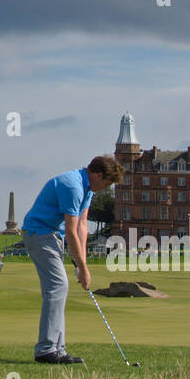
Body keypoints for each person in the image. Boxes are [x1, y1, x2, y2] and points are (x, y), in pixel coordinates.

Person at [22, 155, 123, 365]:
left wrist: (81, 264)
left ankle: (58, 349)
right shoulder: (73, 187)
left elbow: (82, 226)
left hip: (51, 236)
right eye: (106, 182)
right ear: (97, 175)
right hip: (38, 233)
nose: (106, 187)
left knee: (59, 289)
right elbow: (70, 229)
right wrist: (84, 269)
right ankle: (46, 349)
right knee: (58, 286)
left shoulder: (87, 189)